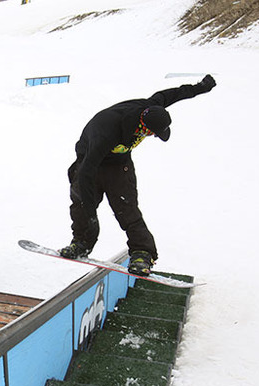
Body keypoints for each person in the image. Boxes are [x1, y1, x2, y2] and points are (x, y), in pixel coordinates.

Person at [60, 75, 217, 276]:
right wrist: (92, 216)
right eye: (150, 133)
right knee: (82, 204)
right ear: (143, 125)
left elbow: (173, 94)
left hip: (119, 166)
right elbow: (87, 173)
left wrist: (200, 88)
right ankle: (81, 242)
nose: (150, 137)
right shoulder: (106, 131)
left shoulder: (151, 107)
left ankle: (143, 252)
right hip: (89, 164)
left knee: (127, 209)